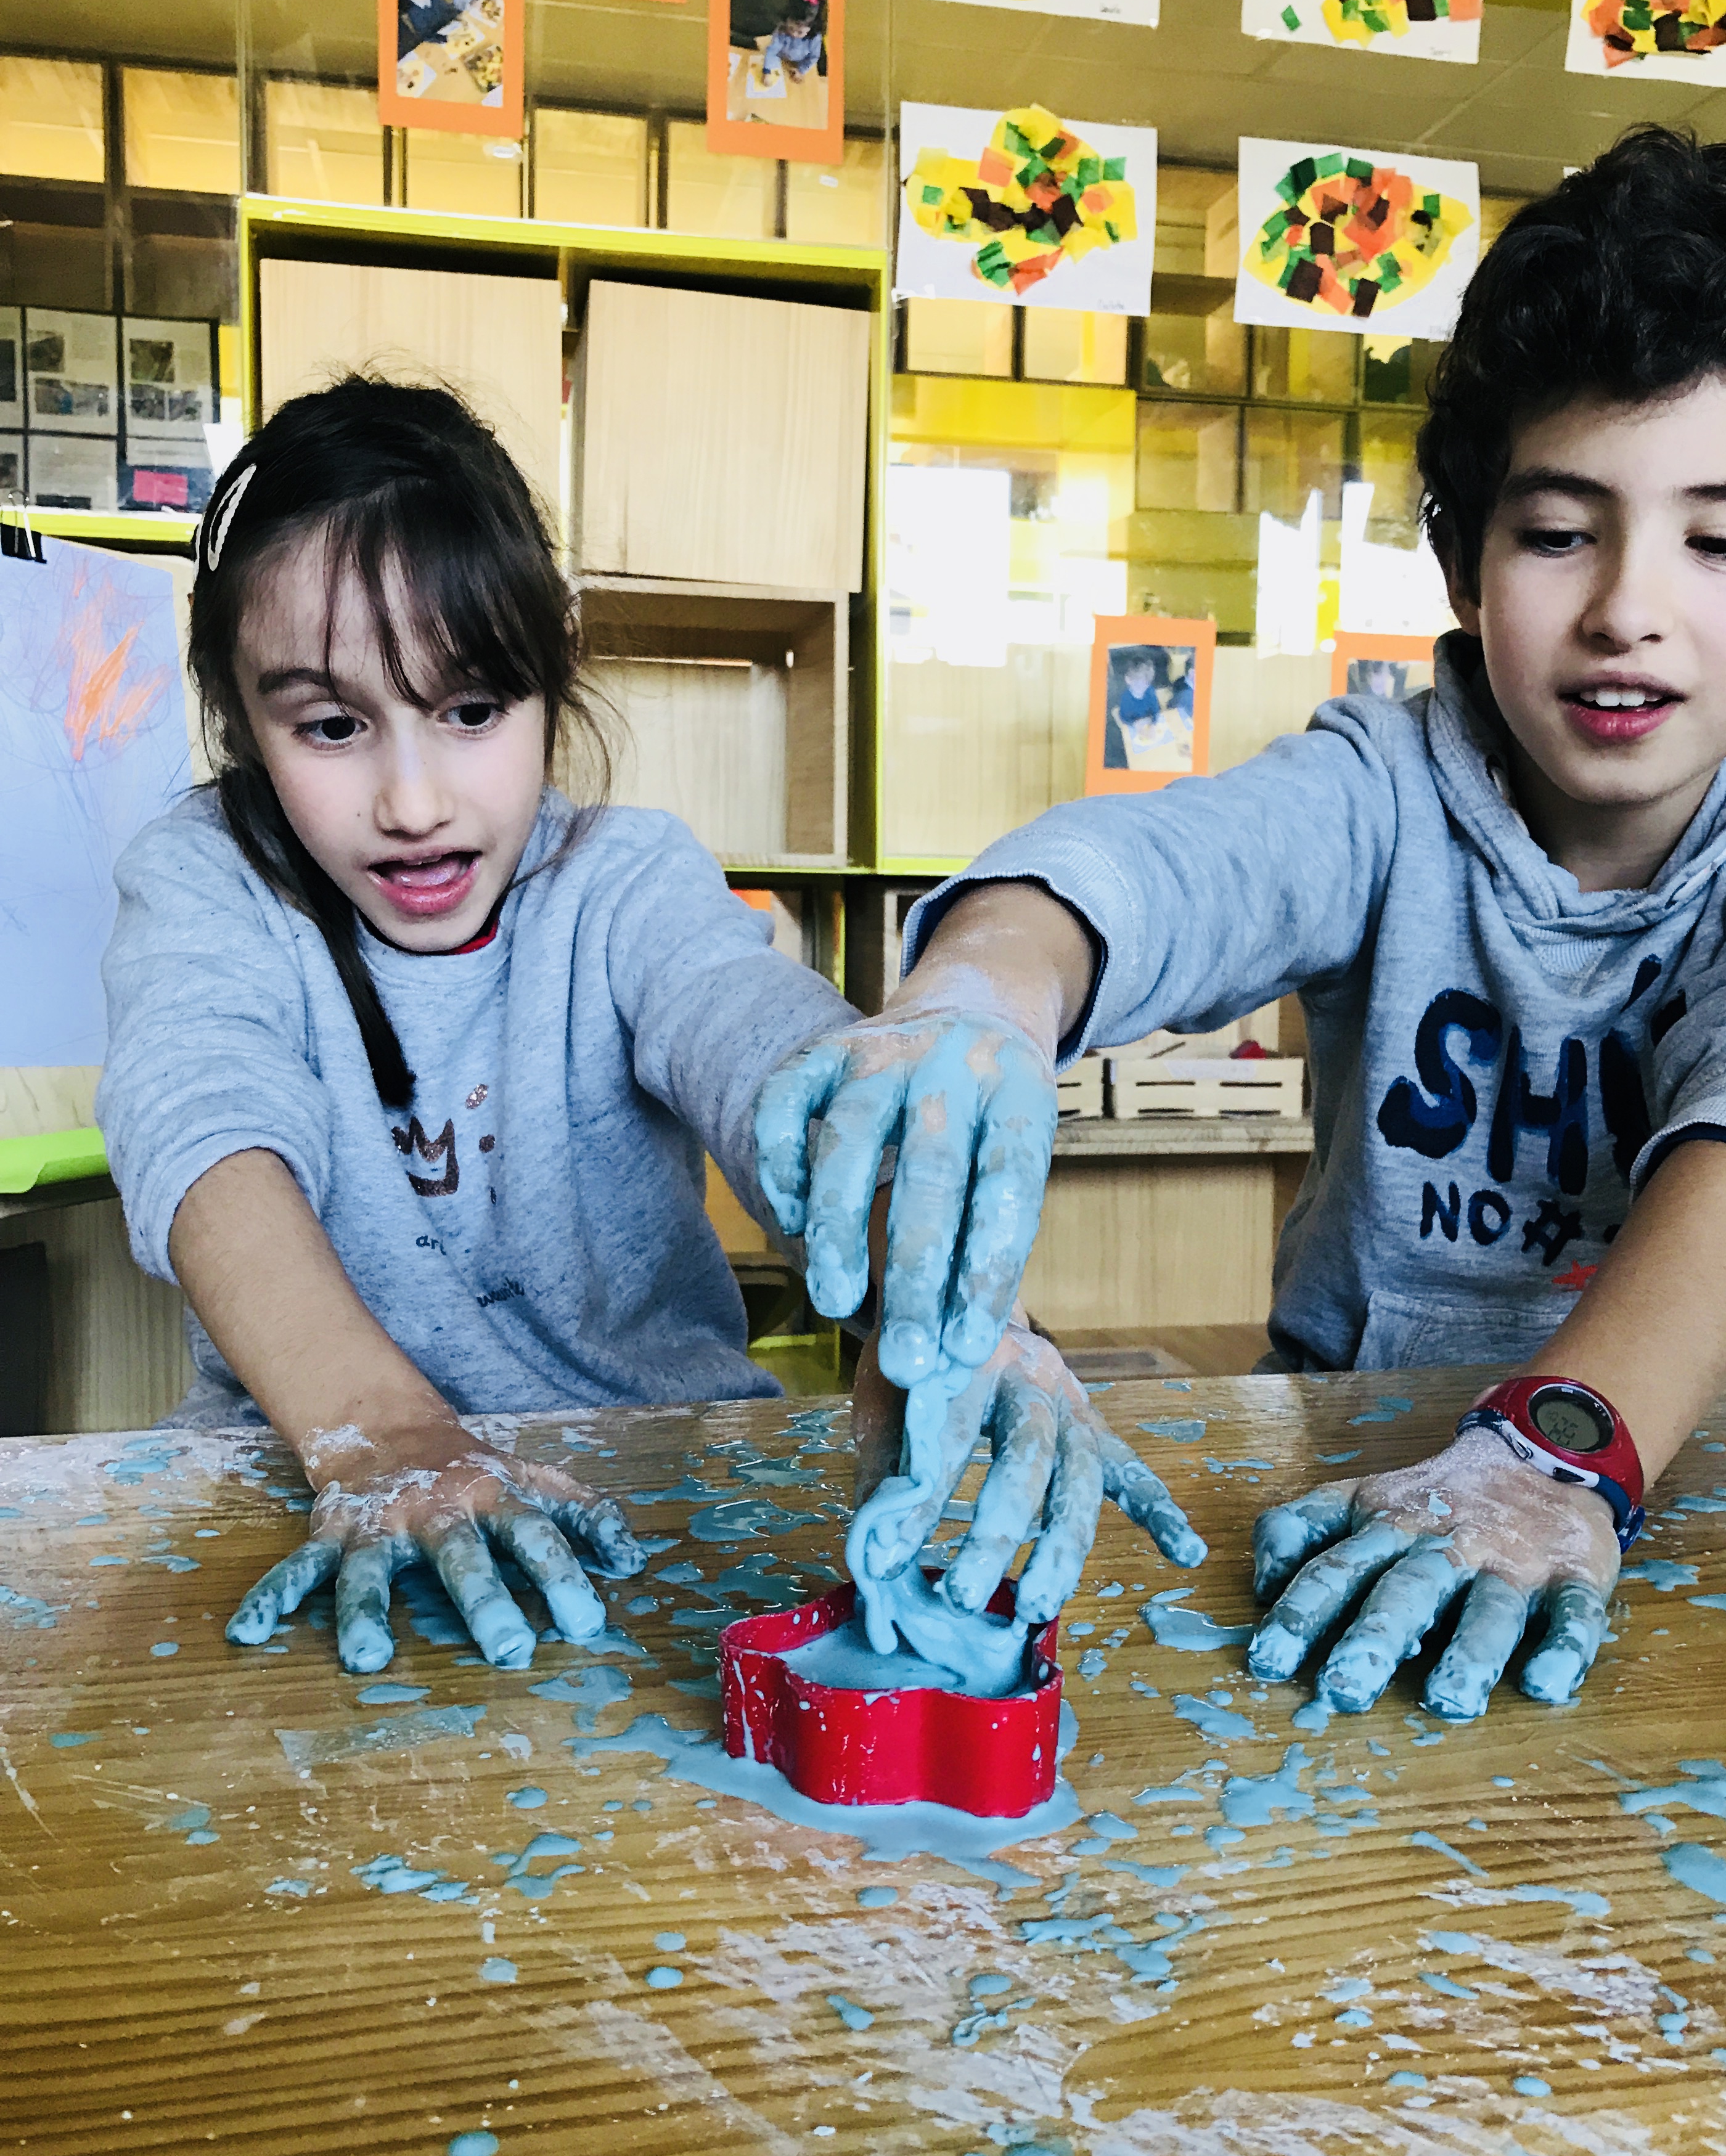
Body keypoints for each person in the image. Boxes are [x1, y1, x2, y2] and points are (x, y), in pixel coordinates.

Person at [756, 127, 1726, 1724]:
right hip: (1365, 1498)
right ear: (1465, 566)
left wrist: (1561, 1448)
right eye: (1559, 530)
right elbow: (1168, 868)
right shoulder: (1392, 779)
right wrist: (983, 992)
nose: (1631, 604)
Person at [97, 378, 1195, 1675]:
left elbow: (778, 1064)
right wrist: (375, 1437)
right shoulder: (209, 877)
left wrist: (953, 1313)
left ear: (552, 678)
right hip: (303, 1502)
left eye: (469, 712)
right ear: (242, 714)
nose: (411, 800)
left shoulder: (624, 887)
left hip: (655, 1514)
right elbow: (200, 1126)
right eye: (332, 726)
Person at [763, 0, 824, 84]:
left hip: (800, 63)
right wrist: (767, 71)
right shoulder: (782, 30)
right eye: (791, 28)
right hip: (781, 59)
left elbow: (813, 57)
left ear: (811, 28)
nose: (794, 34)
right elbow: (772, 50)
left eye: (800, 32)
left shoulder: (815, 39)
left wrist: (801, 70)